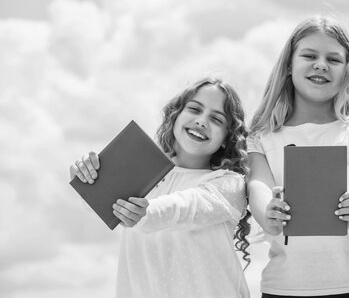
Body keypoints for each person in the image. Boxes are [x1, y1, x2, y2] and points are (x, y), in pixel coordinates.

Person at [247, 15, 349, 297]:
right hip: (286, 288)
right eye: (309, 55)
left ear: (348, 71)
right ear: (289, 64)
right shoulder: (261, 139)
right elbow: (257, 186)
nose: (321, 65)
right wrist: (268, 213)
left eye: (334, 59)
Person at [70, 77, 251, 298]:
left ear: (226, 138)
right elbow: (102, 204)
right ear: (175, 116)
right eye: (194, 109)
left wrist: (146, 212)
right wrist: (88, 177)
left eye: (216, 119)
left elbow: (188, 206)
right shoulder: (140, 172)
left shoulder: (229, 183)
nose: (202, 121)